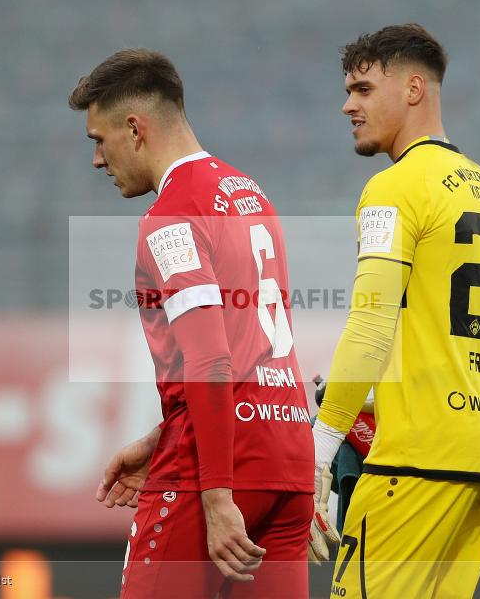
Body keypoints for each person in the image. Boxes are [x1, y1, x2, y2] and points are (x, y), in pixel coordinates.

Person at [308, 24, 480, 598]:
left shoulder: (394, 188)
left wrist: (321, 445)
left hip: (413, 466)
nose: (347, 105)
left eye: (363, 89)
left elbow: (370, 321)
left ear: (414, 89)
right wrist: (402, 395)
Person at [68, 48, 314, 599]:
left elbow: (211, 357)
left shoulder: (171, 216)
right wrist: (161, 436)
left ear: (134, 128)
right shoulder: (249, 193)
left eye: (97, 140)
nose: (97, 160)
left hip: (215, 467)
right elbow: (250, 346)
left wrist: (217, 494)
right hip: (288, 460)